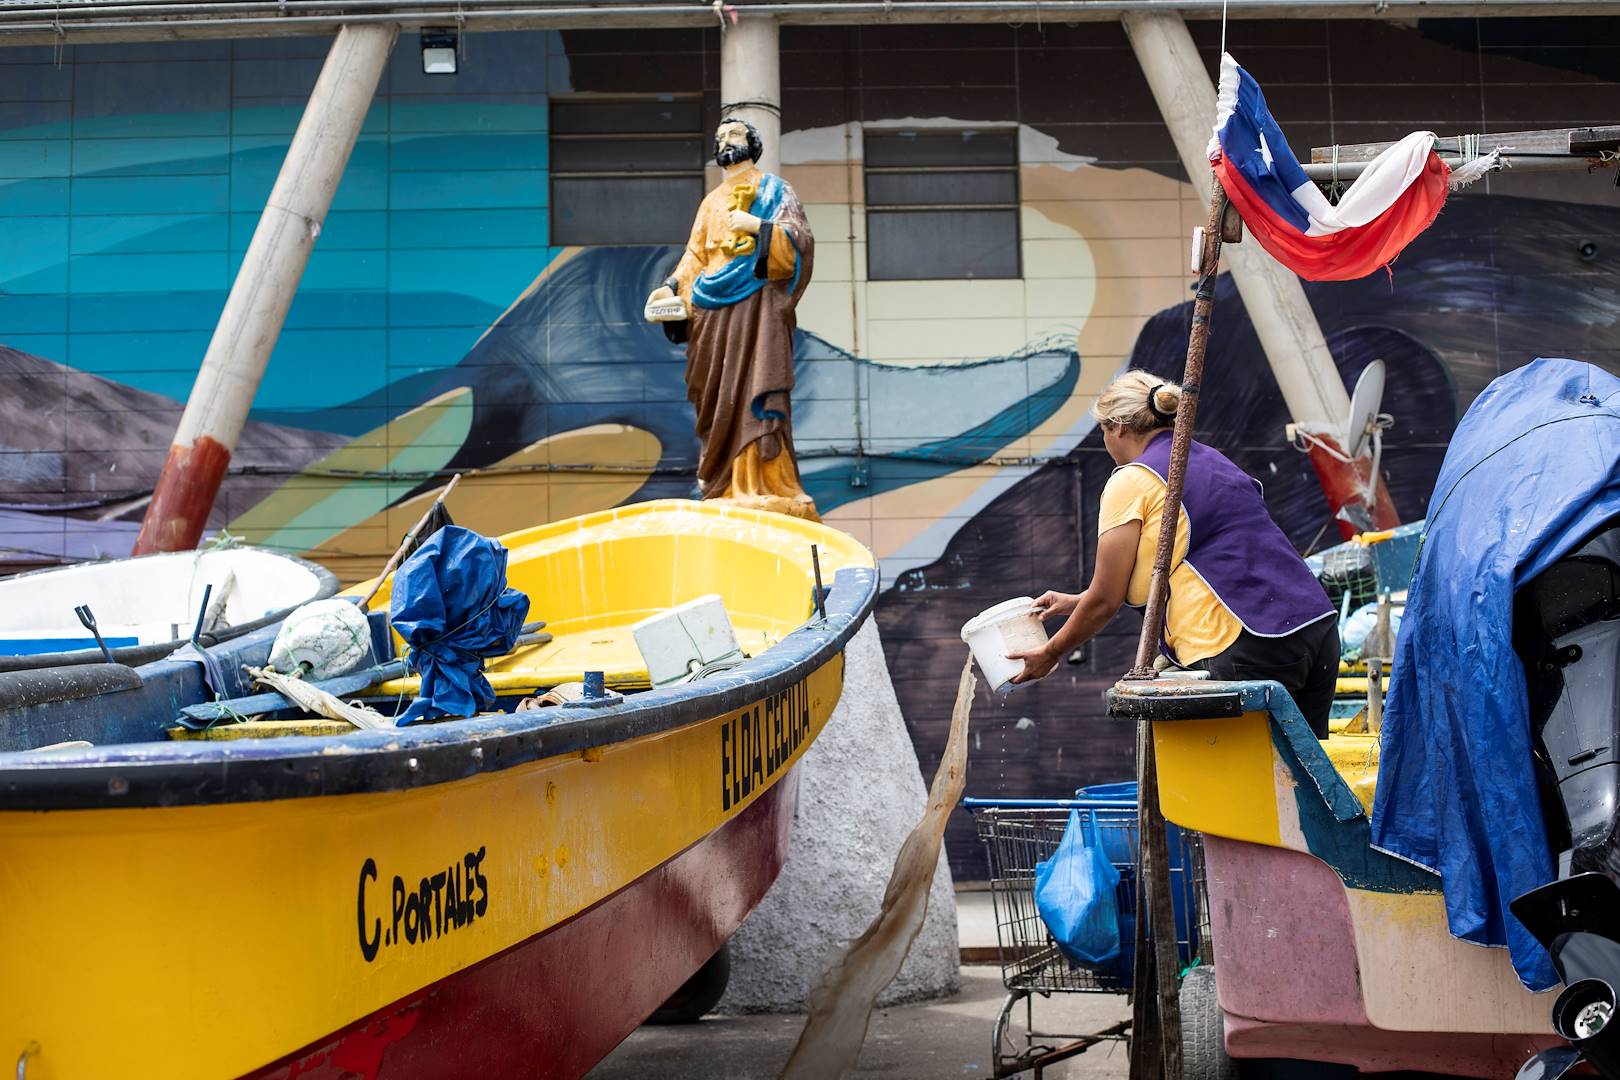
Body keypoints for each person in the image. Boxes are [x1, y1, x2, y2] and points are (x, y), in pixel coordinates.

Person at [1008, 369, 1341, 738]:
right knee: (1294, 786)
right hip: (1315, 630)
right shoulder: (1211, 459)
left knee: (1225, 786)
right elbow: (1192, 557)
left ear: (1117, 427)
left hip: (1245, 641)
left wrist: (1051, 652)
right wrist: (1075, 602)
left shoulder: (1131, 479)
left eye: (1103, 431)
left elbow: (1105, 599)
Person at [644, 117, 818, 521]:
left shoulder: (774, 189)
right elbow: (695, 257)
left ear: (752, 144)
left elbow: (800, 240)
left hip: (756, 308)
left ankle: (763, 483)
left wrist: (759, 226)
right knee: (716, 397)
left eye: (734, 136)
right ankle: (724, 482)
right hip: (711, 311)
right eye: (721, 137)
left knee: (755, 397)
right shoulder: (711, 202)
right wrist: (670, 287)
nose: (726, 142)